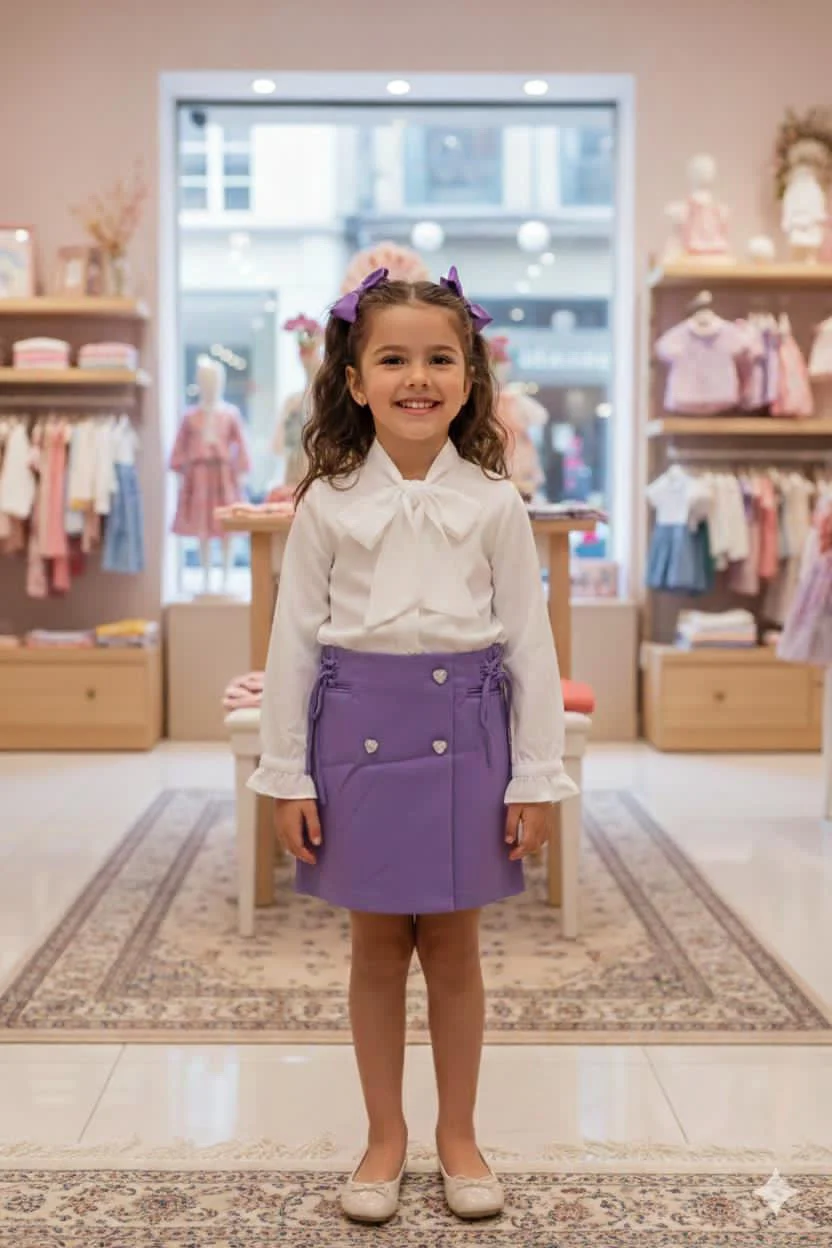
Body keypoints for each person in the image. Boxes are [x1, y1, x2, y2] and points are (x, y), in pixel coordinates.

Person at [248, 265, 578, 1224]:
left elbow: (530, 645)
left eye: (440, 359)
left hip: (469, 738)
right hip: (357, 740)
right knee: (377, 947)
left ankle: (459, 1135)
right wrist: (287, 775)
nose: (418, 378)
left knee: (457, 948)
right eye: (393, 360)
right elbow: (291, 644)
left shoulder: (496, 500)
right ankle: (384, 1136)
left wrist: (536, 778)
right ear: (355, 382)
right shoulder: (328, 500)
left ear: (469, 378)